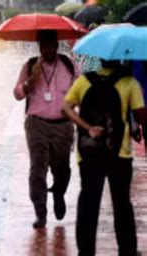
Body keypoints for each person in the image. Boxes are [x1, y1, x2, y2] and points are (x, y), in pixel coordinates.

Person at [63, 59, 146, 256]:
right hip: (120, 153)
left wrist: (86, 127)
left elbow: (66, 108)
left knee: (88, 204)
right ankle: (127, 251)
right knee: (122, 204)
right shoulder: (129, 83)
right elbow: (141, 117)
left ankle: (86, 251)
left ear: (100, 59)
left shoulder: (84, 81)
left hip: (88, 154)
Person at [14, 30, 81, 229]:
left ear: (57, 45)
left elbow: (82, 89)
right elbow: (17, 94)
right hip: (36, 125)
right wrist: (30, 81)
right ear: (39, 47)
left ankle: (59, 193)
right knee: (37, 170)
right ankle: (40, 213)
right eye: (44, 46)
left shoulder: (69, 64)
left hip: (63, 125)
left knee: (62, 170)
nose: (48, 50)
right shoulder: (30, 65)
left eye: (51, 46)